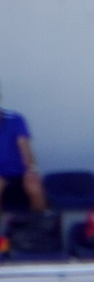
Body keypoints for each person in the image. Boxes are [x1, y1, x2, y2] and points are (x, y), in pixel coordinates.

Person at [0, 85, 41, 217]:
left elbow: (25, 147)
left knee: (35, 186)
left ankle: (39, 228)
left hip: (19, 173)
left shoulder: (16, 119)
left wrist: (32, 170)